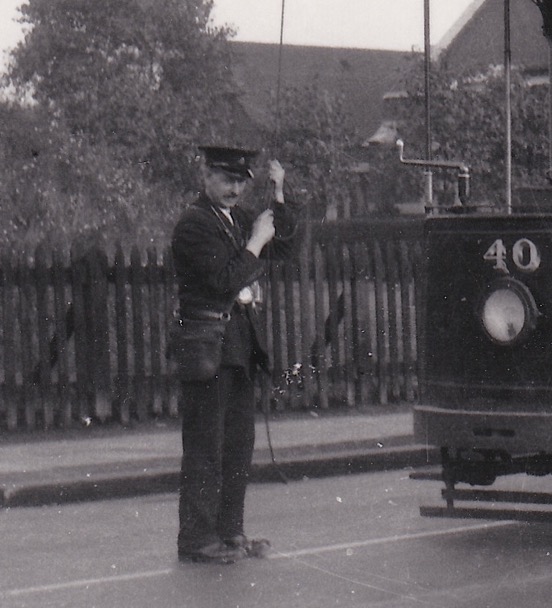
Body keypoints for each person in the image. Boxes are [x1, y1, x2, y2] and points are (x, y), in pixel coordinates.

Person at [171, 145, 299, 564]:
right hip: (208, 344)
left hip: (238, 347)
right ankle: (197, 541)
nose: (234, 188)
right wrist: (257, 241)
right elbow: (226, 278)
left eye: (241, 181)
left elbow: (282, 249)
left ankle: (230, 533)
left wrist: (278, 195)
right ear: (205, 175)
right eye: (226, 179)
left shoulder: (234, 219)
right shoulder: (194, 224)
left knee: (238, 445)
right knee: (207, 447)